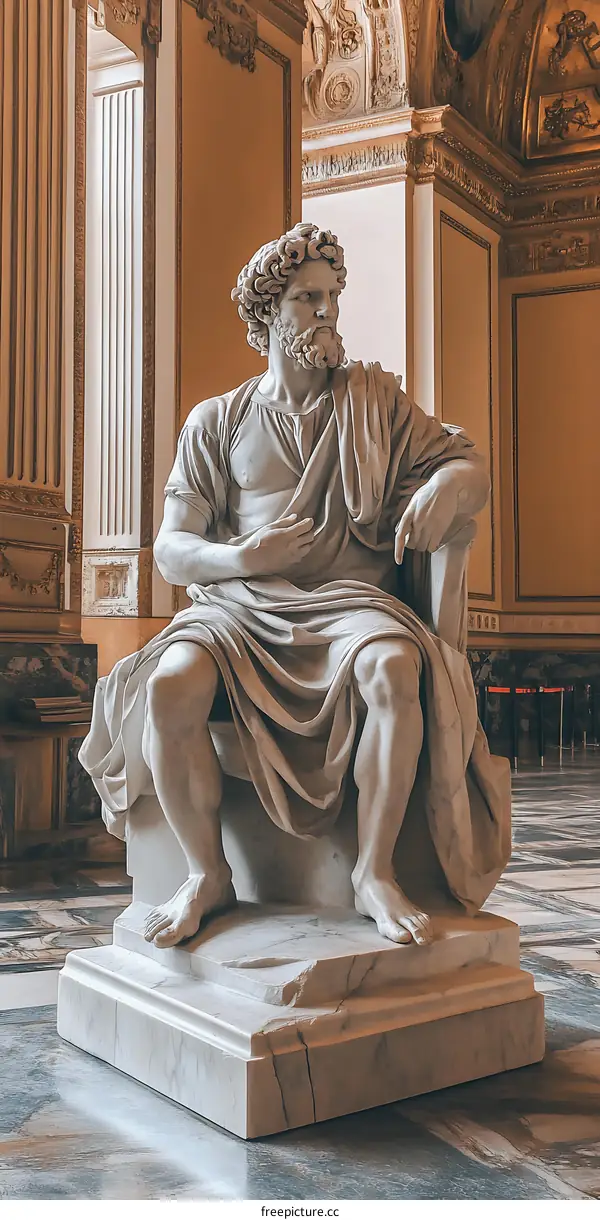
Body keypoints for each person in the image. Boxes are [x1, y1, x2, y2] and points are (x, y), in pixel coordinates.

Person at [80, 222, 510, 952]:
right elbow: (173, 552)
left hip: (352, 608)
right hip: (242, 611)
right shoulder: (218, 421)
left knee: (394, 667)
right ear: (269, 312)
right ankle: (206, 875)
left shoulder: (375, 403)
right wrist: (244, 555)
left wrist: (448, 484)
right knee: (169, 685)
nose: (328, 310)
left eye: (332, 295)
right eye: (309, 298)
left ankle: (373, 873)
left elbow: (469, 468)